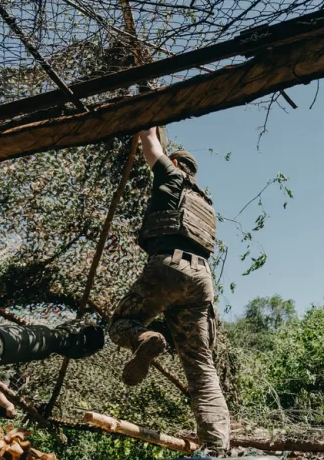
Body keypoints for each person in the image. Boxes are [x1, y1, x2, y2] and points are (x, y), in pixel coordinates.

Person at [108, 126, 230, 452]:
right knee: (202, 368)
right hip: (202, 281)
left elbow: (150, 141)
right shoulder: (206, 203)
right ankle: (216, 449)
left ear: (175, 163)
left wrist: (146, 116)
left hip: (169, 268)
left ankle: (144, 339)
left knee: (120, 324)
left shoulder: (170, 176)